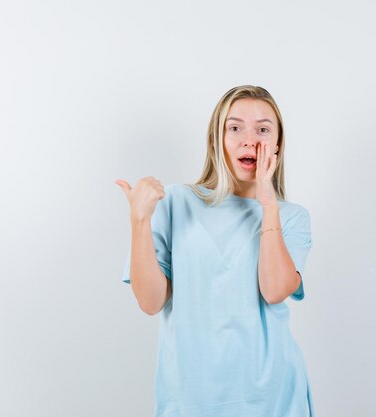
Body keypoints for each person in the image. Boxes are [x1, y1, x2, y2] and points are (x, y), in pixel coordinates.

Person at [115, 85, 315, 417]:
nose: (249, 140)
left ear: (277, 145)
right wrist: (139, 221)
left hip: (272, 397)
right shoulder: (176, 203)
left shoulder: (292, 217)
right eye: (235, 128)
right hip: (191, 398)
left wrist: (267, 202)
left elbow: (275, 289)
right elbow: (150, 302)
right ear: (216, 140)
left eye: (263, 129)